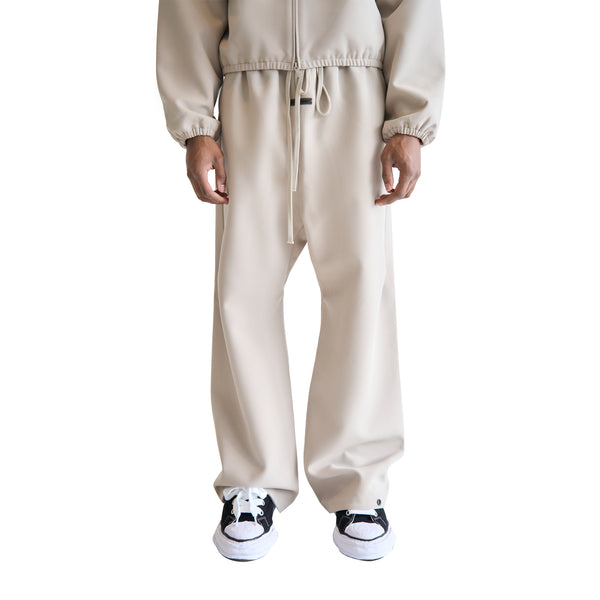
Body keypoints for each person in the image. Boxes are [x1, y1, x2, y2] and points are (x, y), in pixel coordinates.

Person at [156, 0, 445, 561]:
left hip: (356, 100)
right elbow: (191, 8)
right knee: (243, 294)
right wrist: (195, 125)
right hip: (250, 97)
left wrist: (410, 120)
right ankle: (253, 479)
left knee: (362, 292)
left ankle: (358, 482)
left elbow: (409, 6)